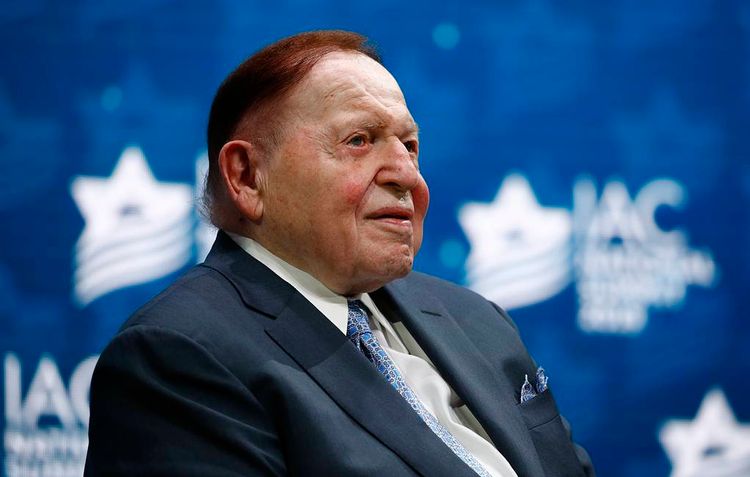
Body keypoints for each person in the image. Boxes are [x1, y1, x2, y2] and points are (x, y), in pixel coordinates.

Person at [84, 30, 594, 477]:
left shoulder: (478, 320)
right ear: (247, 177)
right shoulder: (179, 357)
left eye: (410, 146)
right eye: (359, 141)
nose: (406, 175)